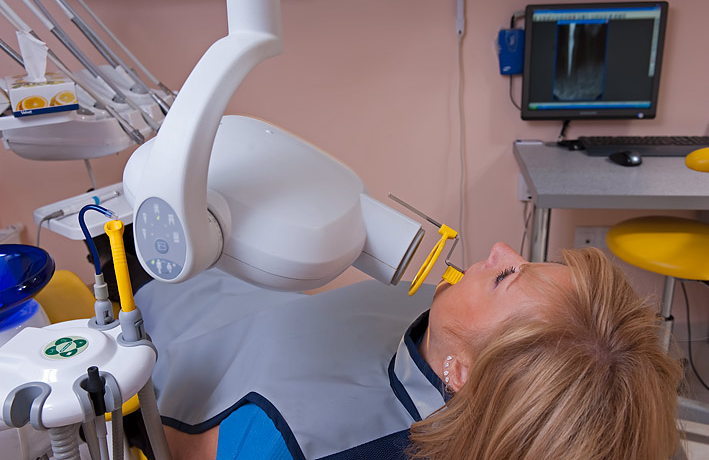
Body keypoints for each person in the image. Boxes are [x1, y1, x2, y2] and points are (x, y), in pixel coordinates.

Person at [131, 242, 681, 460]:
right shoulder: (441, 325)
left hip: (168, 304)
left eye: (505, 276)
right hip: (235, 292)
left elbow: (175, 443)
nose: (499, 250)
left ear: (461, 374)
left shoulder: (289, 441)